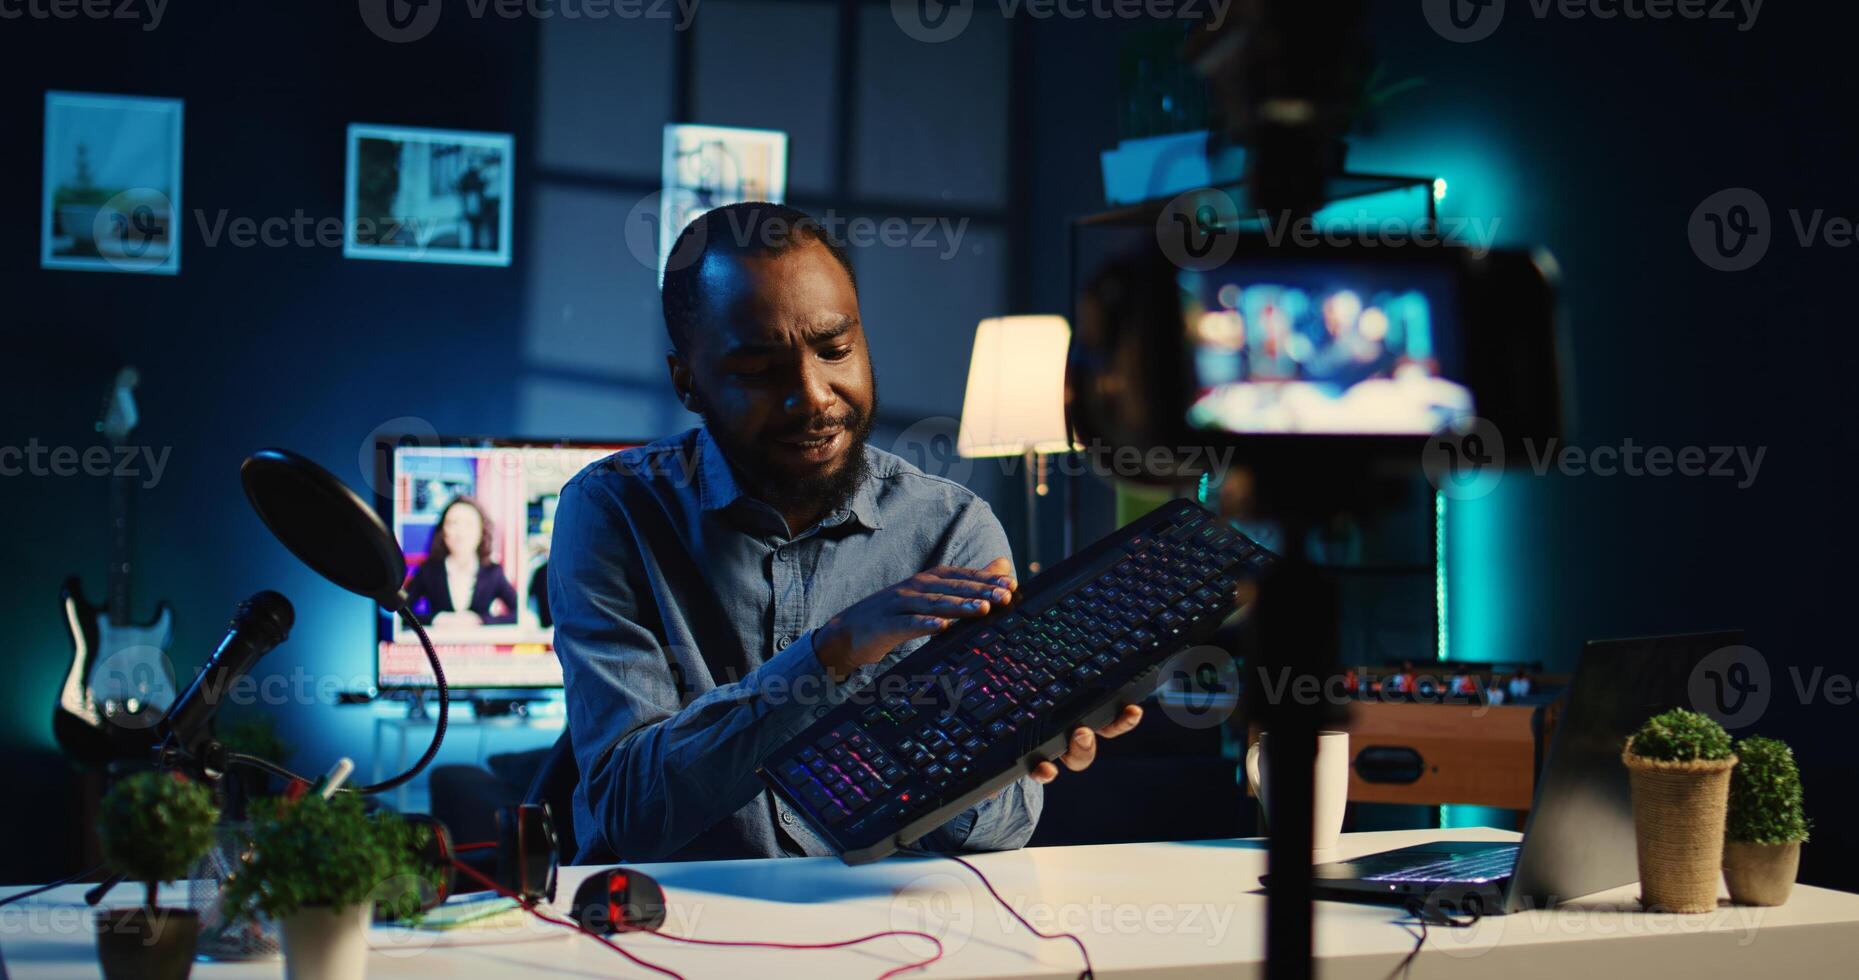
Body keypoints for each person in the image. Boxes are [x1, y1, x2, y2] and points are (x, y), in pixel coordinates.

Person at [551, 202, 1143, 863]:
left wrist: (1008, 746)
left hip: (883, 940)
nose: (813, 395)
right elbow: (631, 813)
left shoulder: (953, 530)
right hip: (662, 931)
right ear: (687, 380)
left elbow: (998, 834)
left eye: (835, 349)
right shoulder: (612, 513)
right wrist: (830, 655)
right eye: (758, 369)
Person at [404, 496, 519, 627]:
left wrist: (481, 620)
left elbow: (520, 615)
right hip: (438, 645)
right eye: (453, 523)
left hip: (481, 646)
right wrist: (436, 619)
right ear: (443, 531)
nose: (461, 533)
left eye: (469, 524)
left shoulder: (493, 572)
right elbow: (401, 614)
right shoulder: (428, 571)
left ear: (482, 531)